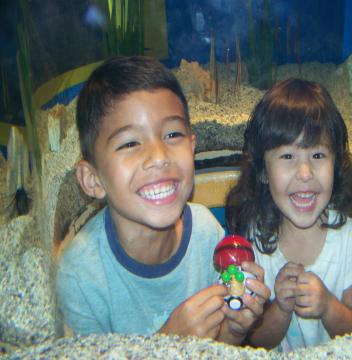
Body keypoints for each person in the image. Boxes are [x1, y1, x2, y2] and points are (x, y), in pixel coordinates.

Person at [56, 56, 270, 344]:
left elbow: (217, 348)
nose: (159, 156)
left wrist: (235, 328)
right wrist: (165, 344)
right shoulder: (81, 276)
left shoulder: (208, 234)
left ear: (192, 148)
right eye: (130, 143)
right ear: (92, 179)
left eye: (172, 134)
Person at [226, 78, 352, 351]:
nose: (305, 173)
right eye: (288, 157)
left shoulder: (345, 234)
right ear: (263, 172)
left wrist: (328, 306)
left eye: (317, 155)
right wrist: (280, 307)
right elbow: (256, 342)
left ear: (336, 163)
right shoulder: (255, 239)